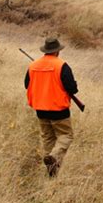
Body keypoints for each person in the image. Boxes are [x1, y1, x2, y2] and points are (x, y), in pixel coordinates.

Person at [24, 37, 78, 177]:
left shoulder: (33, 65)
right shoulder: (61, 65)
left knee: (48, 138)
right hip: (59, 109)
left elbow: (26, 84)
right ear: (57, 51)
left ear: (45, 51)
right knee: (66, 135)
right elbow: (72, 88)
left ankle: (52, 171)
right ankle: (54, 156)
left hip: (40, 109)